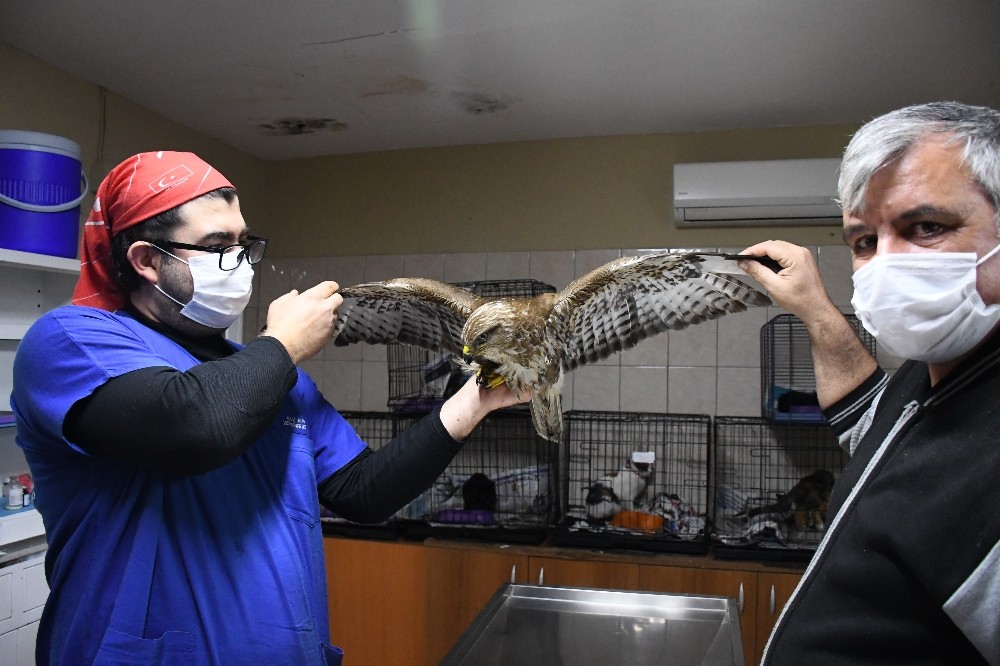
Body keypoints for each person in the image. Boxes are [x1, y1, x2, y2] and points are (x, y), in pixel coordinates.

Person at [10, 151, 528, 665]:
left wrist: (477, 399)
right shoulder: (72, 342)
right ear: (146, 261)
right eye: (216, 245)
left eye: (242, 243)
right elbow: (196, 425)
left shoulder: (269, 373)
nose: (237, 261)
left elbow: (363, 491)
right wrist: (283, 343)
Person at [738, 101, 1000, 665]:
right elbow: (872, 427)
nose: (886, 265)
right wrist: (812, 307)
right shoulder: (938, 375)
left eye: (926, 227)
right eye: (863, 242)